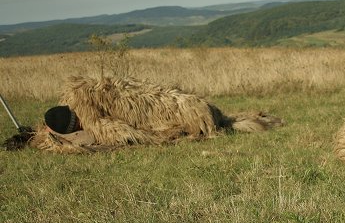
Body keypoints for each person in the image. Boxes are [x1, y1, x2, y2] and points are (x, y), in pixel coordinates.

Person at [29, 75, 284, 153]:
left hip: (187, 110)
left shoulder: (95, 113)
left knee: (179, 110)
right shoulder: (81, 98)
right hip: (190, 107)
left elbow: (124, 134)